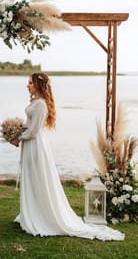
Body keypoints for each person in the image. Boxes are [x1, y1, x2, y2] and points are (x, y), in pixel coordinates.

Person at [12, 72, 124, 241]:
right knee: (31, 177)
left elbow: (34, 131)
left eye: (30, 83)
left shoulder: (41, 104)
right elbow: (30, 126)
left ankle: (40, 216)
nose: (27, 85)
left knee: (38, 177)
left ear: (38, 84)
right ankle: (31, 212)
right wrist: (17, 131)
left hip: (36, 145)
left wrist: (17, 137)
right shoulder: (35, 101)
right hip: (30, 144)